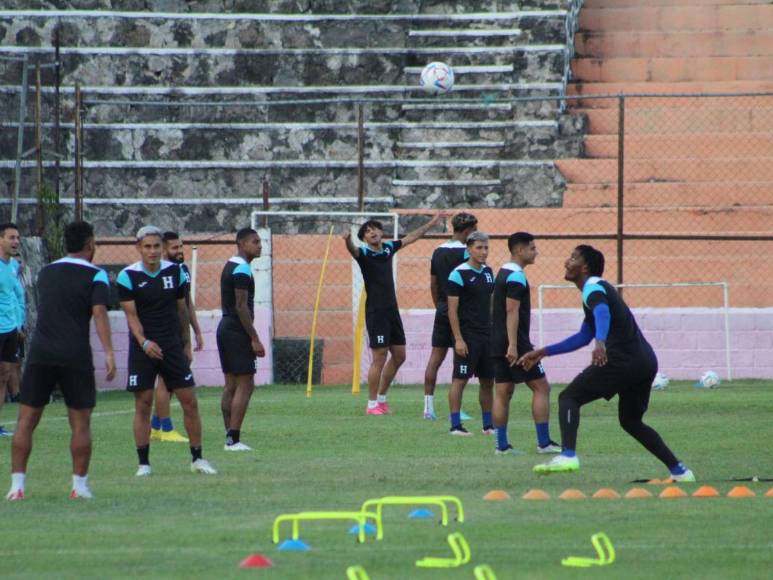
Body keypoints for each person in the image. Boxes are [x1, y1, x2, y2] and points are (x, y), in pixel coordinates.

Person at [517, 245, 695, 481]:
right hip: (645, 362)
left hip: (622, 361)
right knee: (631, 422)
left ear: (585, 267)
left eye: (572, 258)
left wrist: (601, 342)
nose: (566, 262)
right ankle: (680, 471)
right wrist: (543, 352)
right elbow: (582, 337)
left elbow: (602, 312)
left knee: (568, 398)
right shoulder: (596, 291)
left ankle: (568, 455)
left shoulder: (593, 287)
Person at [7, 221, 116, 500]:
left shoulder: (46, 271)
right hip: (75, 354)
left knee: (26, 420)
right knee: (80, 424)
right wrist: (109, 352)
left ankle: (17, 486)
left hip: (41, 352)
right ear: (90, 244)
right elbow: (100, 313)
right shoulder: (97, 275)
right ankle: (79, 487)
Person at [117, 226, 216, 476]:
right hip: (143, 347)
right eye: (147, 247)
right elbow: (132, 316)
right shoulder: (127, 276)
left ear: (162, 248)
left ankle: (197, 459)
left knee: (189, 401)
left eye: (156, 246)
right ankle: (144, 464)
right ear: (139, 248)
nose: (152, 251)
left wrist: (185, 342)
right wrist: (144, 342)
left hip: (171, 345)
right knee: (143, 402)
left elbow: (182, 309)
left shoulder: (176, 272)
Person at [344, 212, 444, 415]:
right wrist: (347, 240)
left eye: (374, 229)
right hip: (376, 312)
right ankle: (371, 405)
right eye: (367, 232)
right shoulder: (363, 254)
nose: (371, 233)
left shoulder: (389, 248)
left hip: (392, 311)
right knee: (379, 357)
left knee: (399, 355)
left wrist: (432, 222)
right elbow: (352, 249)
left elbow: (412, 237)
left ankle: (381, 399)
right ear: (364, 238)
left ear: (382, 232)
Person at [490, 232, 560, 455]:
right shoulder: (516, 276)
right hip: (516, 343)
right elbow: (511, 310)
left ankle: (501, 446)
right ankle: (544, 443)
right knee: (542, 387)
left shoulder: (502, 272)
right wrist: (513, 345)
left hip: (496, 339)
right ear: (519, 250)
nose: (535, 252)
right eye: (532, 248)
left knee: (503, 392)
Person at [149, 231, 204, 443]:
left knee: (170, 380)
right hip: (166, 332)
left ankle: (155, 426)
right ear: (163, 250)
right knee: (166, 379)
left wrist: (196, 330)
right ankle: (166, 429)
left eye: (181, 247)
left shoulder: (182, 270)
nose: (180, 252)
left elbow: (186, 303)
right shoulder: (162, 272)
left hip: (178, 332)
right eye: (175, 248)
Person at [422, 212, 478, 420]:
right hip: (462, 311)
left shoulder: (437, 251)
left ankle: (428, 407)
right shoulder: (466, 252)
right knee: (459, 357)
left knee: (435, 357)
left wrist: (439, 305)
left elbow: (433, 283)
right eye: (474, 230)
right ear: (466, 231)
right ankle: (457, 409)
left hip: (443, 308)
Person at [218, 228, 265, 451]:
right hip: (236, 331)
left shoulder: (230, 265)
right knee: (245, 384)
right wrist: (254, 338)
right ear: (241, 243)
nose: (260, 245)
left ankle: (229, 436)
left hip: (225, 328)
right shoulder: (242, 269)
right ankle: (233, 439)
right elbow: (241, 306)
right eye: (255, 242)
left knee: (231, 385)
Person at [446, 231, 495, 436]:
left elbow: (491, 303)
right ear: (469, 249)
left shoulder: (488, 272)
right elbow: (451, 310)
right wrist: (458, 338)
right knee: (460, 379)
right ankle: (455, 426)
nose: (483, 252)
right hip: (467, 336)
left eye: (486, 248)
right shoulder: (458, 274)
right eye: (479, 248)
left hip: (487, 336)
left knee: (487, 381)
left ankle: (488, 425)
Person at [0, 223, 24, 437]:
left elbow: (15, 296)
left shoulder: (13, 266)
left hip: (9, 329)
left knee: (4, 374)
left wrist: (19, 323)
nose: (16, 241)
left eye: (17, 237)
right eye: (11, 237)